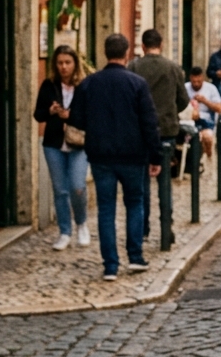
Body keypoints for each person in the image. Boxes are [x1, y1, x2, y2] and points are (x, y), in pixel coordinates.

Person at [68, 33, 163, 281]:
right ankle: (135, 257)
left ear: (105, 53)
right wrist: (156, 157)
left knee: (106, 209)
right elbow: (149, 123)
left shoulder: (89, 84)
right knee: (134, 204)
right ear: (127, 52)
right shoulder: (138, 84)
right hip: (133, 156)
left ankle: (110, 266)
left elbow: (76, 119)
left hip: (101, 156)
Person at [128, 29, 189, 239]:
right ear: (160, 45)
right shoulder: (173, 68)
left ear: (143, 46)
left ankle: (142, 228)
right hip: (166, 131)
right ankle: (166, 227)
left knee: (141, 182)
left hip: (140, 132)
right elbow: (183, 100)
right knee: (165, 182)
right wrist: (169, 112)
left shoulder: (134, 67)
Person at [32, 45, 90, 251]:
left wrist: (71, 115)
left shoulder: (84, 85)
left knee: (77, 186)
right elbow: (38, 115)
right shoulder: (49, 85)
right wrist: (50, 111)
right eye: (60, 63)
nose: (64, 67)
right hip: (53, 144)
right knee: (60, 190)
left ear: (75, 64)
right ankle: (64, 232)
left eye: (67, 62)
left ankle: (82, 223)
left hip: (79, 144)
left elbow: (92, 115)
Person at [185, 66, 221, 159]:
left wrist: (205, 101)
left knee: (207, 137)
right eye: (194, 82)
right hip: (189, 120)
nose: (196, 84)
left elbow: (219, 108)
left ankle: (207, 156)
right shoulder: (185, 87)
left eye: (199, 82)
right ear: (190, 79)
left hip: (206, 120)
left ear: (202, 78)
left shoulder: (211, 88)